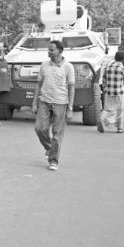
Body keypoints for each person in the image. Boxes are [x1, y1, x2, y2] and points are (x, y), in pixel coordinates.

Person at [32, 40, 74, 171]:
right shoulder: (44, 65)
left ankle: (53, 160)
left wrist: (70, 108)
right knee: (39, 129)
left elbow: (72, 88)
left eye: (51, 50)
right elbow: (38, 85)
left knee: (57, 134)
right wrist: (34, 103)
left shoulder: (68, 67)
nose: (48, 52)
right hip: (44, 102)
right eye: (48, 49)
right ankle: (50, 149)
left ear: (59, 51)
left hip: (61, 104)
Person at [98, 51, 124, 133]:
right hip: (119, 92)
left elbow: (104, 80)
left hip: (108, 92)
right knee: (120, 110)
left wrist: (105, 88)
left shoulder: (108, 67)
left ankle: (101, 119)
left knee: (107, 109)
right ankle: (120, 128)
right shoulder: (123, 69)